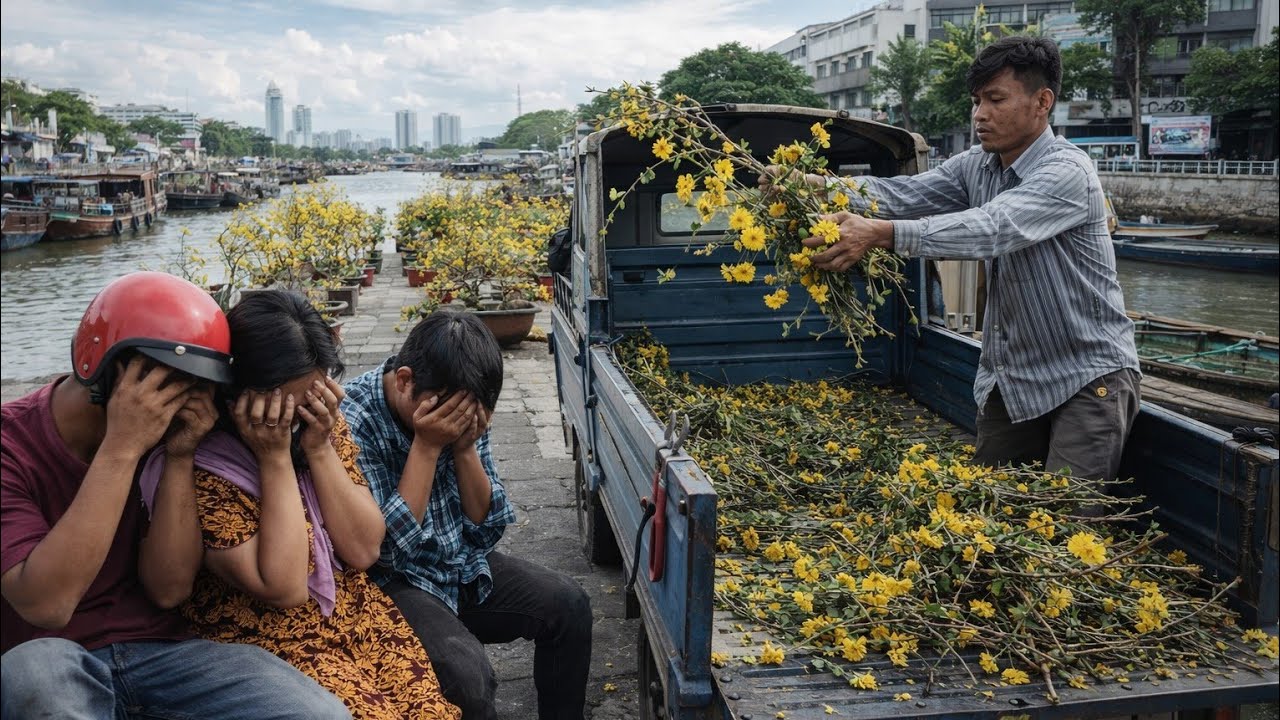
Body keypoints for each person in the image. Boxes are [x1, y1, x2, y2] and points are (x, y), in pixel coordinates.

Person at [763, 36, 1141, 484]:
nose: (980, 114)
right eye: (977, 100)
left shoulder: (1067, 173)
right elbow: (902, 195)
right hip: (1014, 378)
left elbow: (993, 227)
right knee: (990, 513)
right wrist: (813, 185)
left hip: (1086, 378)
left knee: (1066, 524)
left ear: (1043, 101)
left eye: (995, 99)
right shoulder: (976, 165)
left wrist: (880, 235)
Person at [1, 271, 349, 720]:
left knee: (319, 713)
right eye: (170, 386)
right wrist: (122, 448)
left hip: (159, 652)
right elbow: (47, 604)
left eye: (201, 388)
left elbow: (171, 590)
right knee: (41, 683)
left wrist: (181, 455)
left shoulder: (171, 439)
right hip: (48, 654)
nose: (190, 402)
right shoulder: (13, 446)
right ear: (108, 373)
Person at [135, 291, 460, 720]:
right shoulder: (204, 468)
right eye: (287, 406)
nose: (303, 414)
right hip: (272, 645)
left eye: (314, 397)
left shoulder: (315, 427)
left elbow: (364, 549)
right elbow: (285, 587)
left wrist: (321, 446)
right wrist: (273, 459)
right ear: (236, 396)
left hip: (352, 619)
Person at [341, 310, 592, 720]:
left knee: (569, 605)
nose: (458, 420)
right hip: (390, 582)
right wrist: (425, 446)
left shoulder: (462, 398)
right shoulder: (354, 418)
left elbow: (485, 524)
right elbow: (383, 553)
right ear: (404, 381)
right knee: (466, 678)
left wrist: (463, 447)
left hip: (456, 561)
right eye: (449, 413)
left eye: (471, 413)